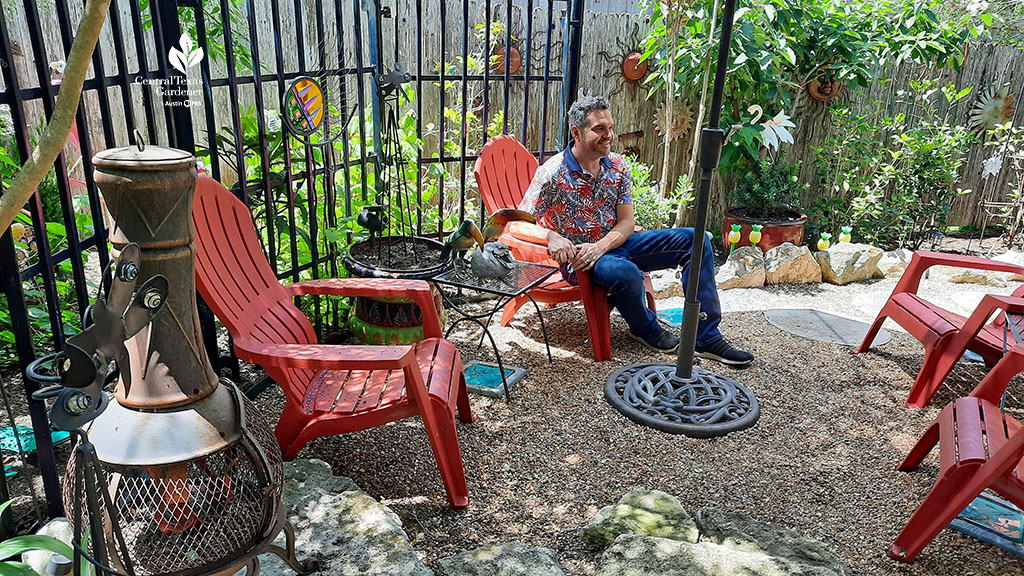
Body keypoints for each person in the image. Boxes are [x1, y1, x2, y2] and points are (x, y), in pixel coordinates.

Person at [519, 95, 753, 366]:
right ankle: (646, 330)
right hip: (581, 260)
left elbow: (627, 222)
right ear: (576, 132)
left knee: (696, 241)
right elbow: (520, 222)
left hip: (615, 244)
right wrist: (551, 235)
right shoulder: (552, 173)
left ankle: (706, 336)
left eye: (610, 127)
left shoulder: (617, 165)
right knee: (626, 273)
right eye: (599, 129)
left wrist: (602, 246)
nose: (609, 135)